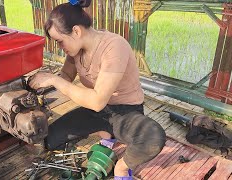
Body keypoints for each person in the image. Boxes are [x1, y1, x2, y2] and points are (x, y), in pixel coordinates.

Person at [28, 2, 166, 179]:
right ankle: (106, 134)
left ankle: (122, 168)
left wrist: (53, 80)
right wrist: (42, 85)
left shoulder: (114, 46)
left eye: (60, 41)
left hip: (125, 112)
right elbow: (66, 77)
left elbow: (97, 100)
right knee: (48, 139)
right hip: (98, 111)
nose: (60, 47)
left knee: (152, 138)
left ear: (76, 31)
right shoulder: (75, 50)